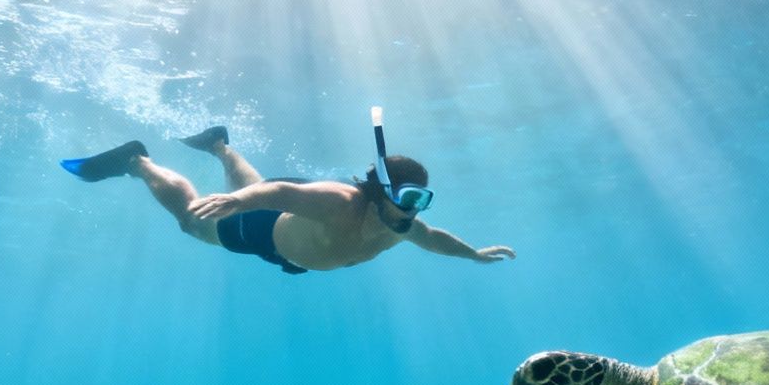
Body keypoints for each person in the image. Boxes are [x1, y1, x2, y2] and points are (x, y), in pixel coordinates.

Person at [59, 124, 516, 275]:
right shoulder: (341, 202)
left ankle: (219, 145)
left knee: (249, 191)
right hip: (262, 227)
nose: (415, 208)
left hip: (287, 239)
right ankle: (137, 161)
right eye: (408, 197)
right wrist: (238, 205)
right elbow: (281, 192)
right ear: (380, 193)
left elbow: (435, 239)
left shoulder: (405, 225)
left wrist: (473, 254)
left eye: (423, 198)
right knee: (190, 222)